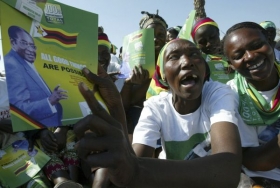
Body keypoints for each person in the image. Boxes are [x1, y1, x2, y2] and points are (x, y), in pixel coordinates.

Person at [74, 39, 242, 187]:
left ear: (204, 70)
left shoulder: (219, 93)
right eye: (174, 57)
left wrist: (136, 170)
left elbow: (227, 170)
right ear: (162, 75)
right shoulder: (155, 106)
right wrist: (116, 107)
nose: (187, 62)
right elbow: (132, 165)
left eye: (194, 54)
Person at [223, 21, 280, 187]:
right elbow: (252, 161)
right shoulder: (230, 96)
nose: (250, 56)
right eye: (238, 55)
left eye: (256, 45)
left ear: (271, 43)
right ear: (230, 65)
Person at [4, 25, 67, 127]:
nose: (30, 50)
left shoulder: (23, 63)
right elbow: (18, 110)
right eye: (24, 43)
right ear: (13, 43)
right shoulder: (12, 64)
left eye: (32, 46)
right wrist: (50, 101)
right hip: (38, 132)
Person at [121, 10, 168, 143]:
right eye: (151, 34)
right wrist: (129, 84)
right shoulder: (131, 63)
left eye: (161, 34)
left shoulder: (171, 61)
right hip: (137, 120)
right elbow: (124, 105)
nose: (155, 39)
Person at [191, 17, 235, 84]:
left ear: (218, 33)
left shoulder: (233, 54)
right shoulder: (197, 62)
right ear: (196, 43)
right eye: (202, 41)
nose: (208, 44)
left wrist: (237, 66)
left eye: (212, 37)